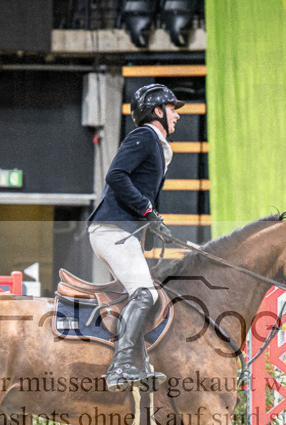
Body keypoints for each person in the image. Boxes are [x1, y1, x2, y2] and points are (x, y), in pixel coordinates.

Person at [87, 83, 183, 391]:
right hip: (112, 229)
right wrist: (146, 210)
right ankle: (121, 367)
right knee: (147, 294)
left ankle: (139, 364)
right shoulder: (144, 136)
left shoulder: (157, 145)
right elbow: (115, 175)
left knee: (143, 292)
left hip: (119, 231)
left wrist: (155, 222)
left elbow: (145, 194)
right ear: (157, 111)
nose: (177, 116)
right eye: (172, 109)